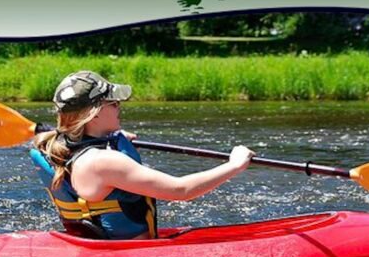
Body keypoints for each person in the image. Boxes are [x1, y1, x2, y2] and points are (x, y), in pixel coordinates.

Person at [30, 71, 255, 240]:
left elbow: (77, 140)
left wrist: (112, 138)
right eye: (114, 103)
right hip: (126, 256)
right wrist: (234, 165)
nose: (120, 107)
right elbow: (181, 190)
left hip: (96, 247)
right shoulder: (104, 162)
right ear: (94, 114)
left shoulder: (51, 144)